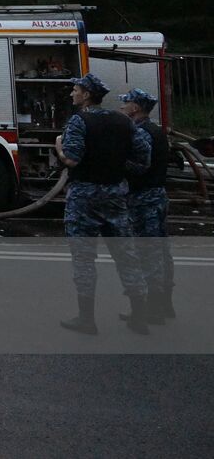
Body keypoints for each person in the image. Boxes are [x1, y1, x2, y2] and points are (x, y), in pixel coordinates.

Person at [54, 73, 152, 335]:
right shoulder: (123, 121)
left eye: (75, 90)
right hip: (115, 197)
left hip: (84, 200)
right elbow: (143, 159)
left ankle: (87, 319)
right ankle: (139, 317)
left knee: (84, 259)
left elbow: (72, 160)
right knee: (126, 256)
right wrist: (118, 168)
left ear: (86, 95)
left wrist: (59, 147)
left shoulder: (79, 121)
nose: (72, 94)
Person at [119, 87, 175, 322]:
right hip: (158, 197)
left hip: (143, 200)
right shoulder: (156, 130)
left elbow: (140, 166)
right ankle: (165, 305)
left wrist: (116, 163)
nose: (122, 107)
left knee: (146, 253)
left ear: (136, 107)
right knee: (161, 252)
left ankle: (152, 310)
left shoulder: (141, 133)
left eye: (126, 103)